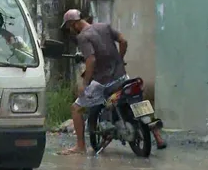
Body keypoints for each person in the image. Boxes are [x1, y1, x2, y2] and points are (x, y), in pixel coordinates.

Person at [59, 9, 166, 154]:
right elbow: (123, 41)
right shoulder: (104, 26)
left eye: (69, 27)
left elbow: (91, 60)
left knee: (76, 108)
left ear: (74, 24)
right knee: (138, 102)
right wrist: (120, 60)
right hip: (122, 77)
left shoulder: (83, 37)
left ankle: (80, 146)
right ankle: (158, 137)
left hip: (103, 82)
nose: (70, 31)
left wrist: (84, 83)